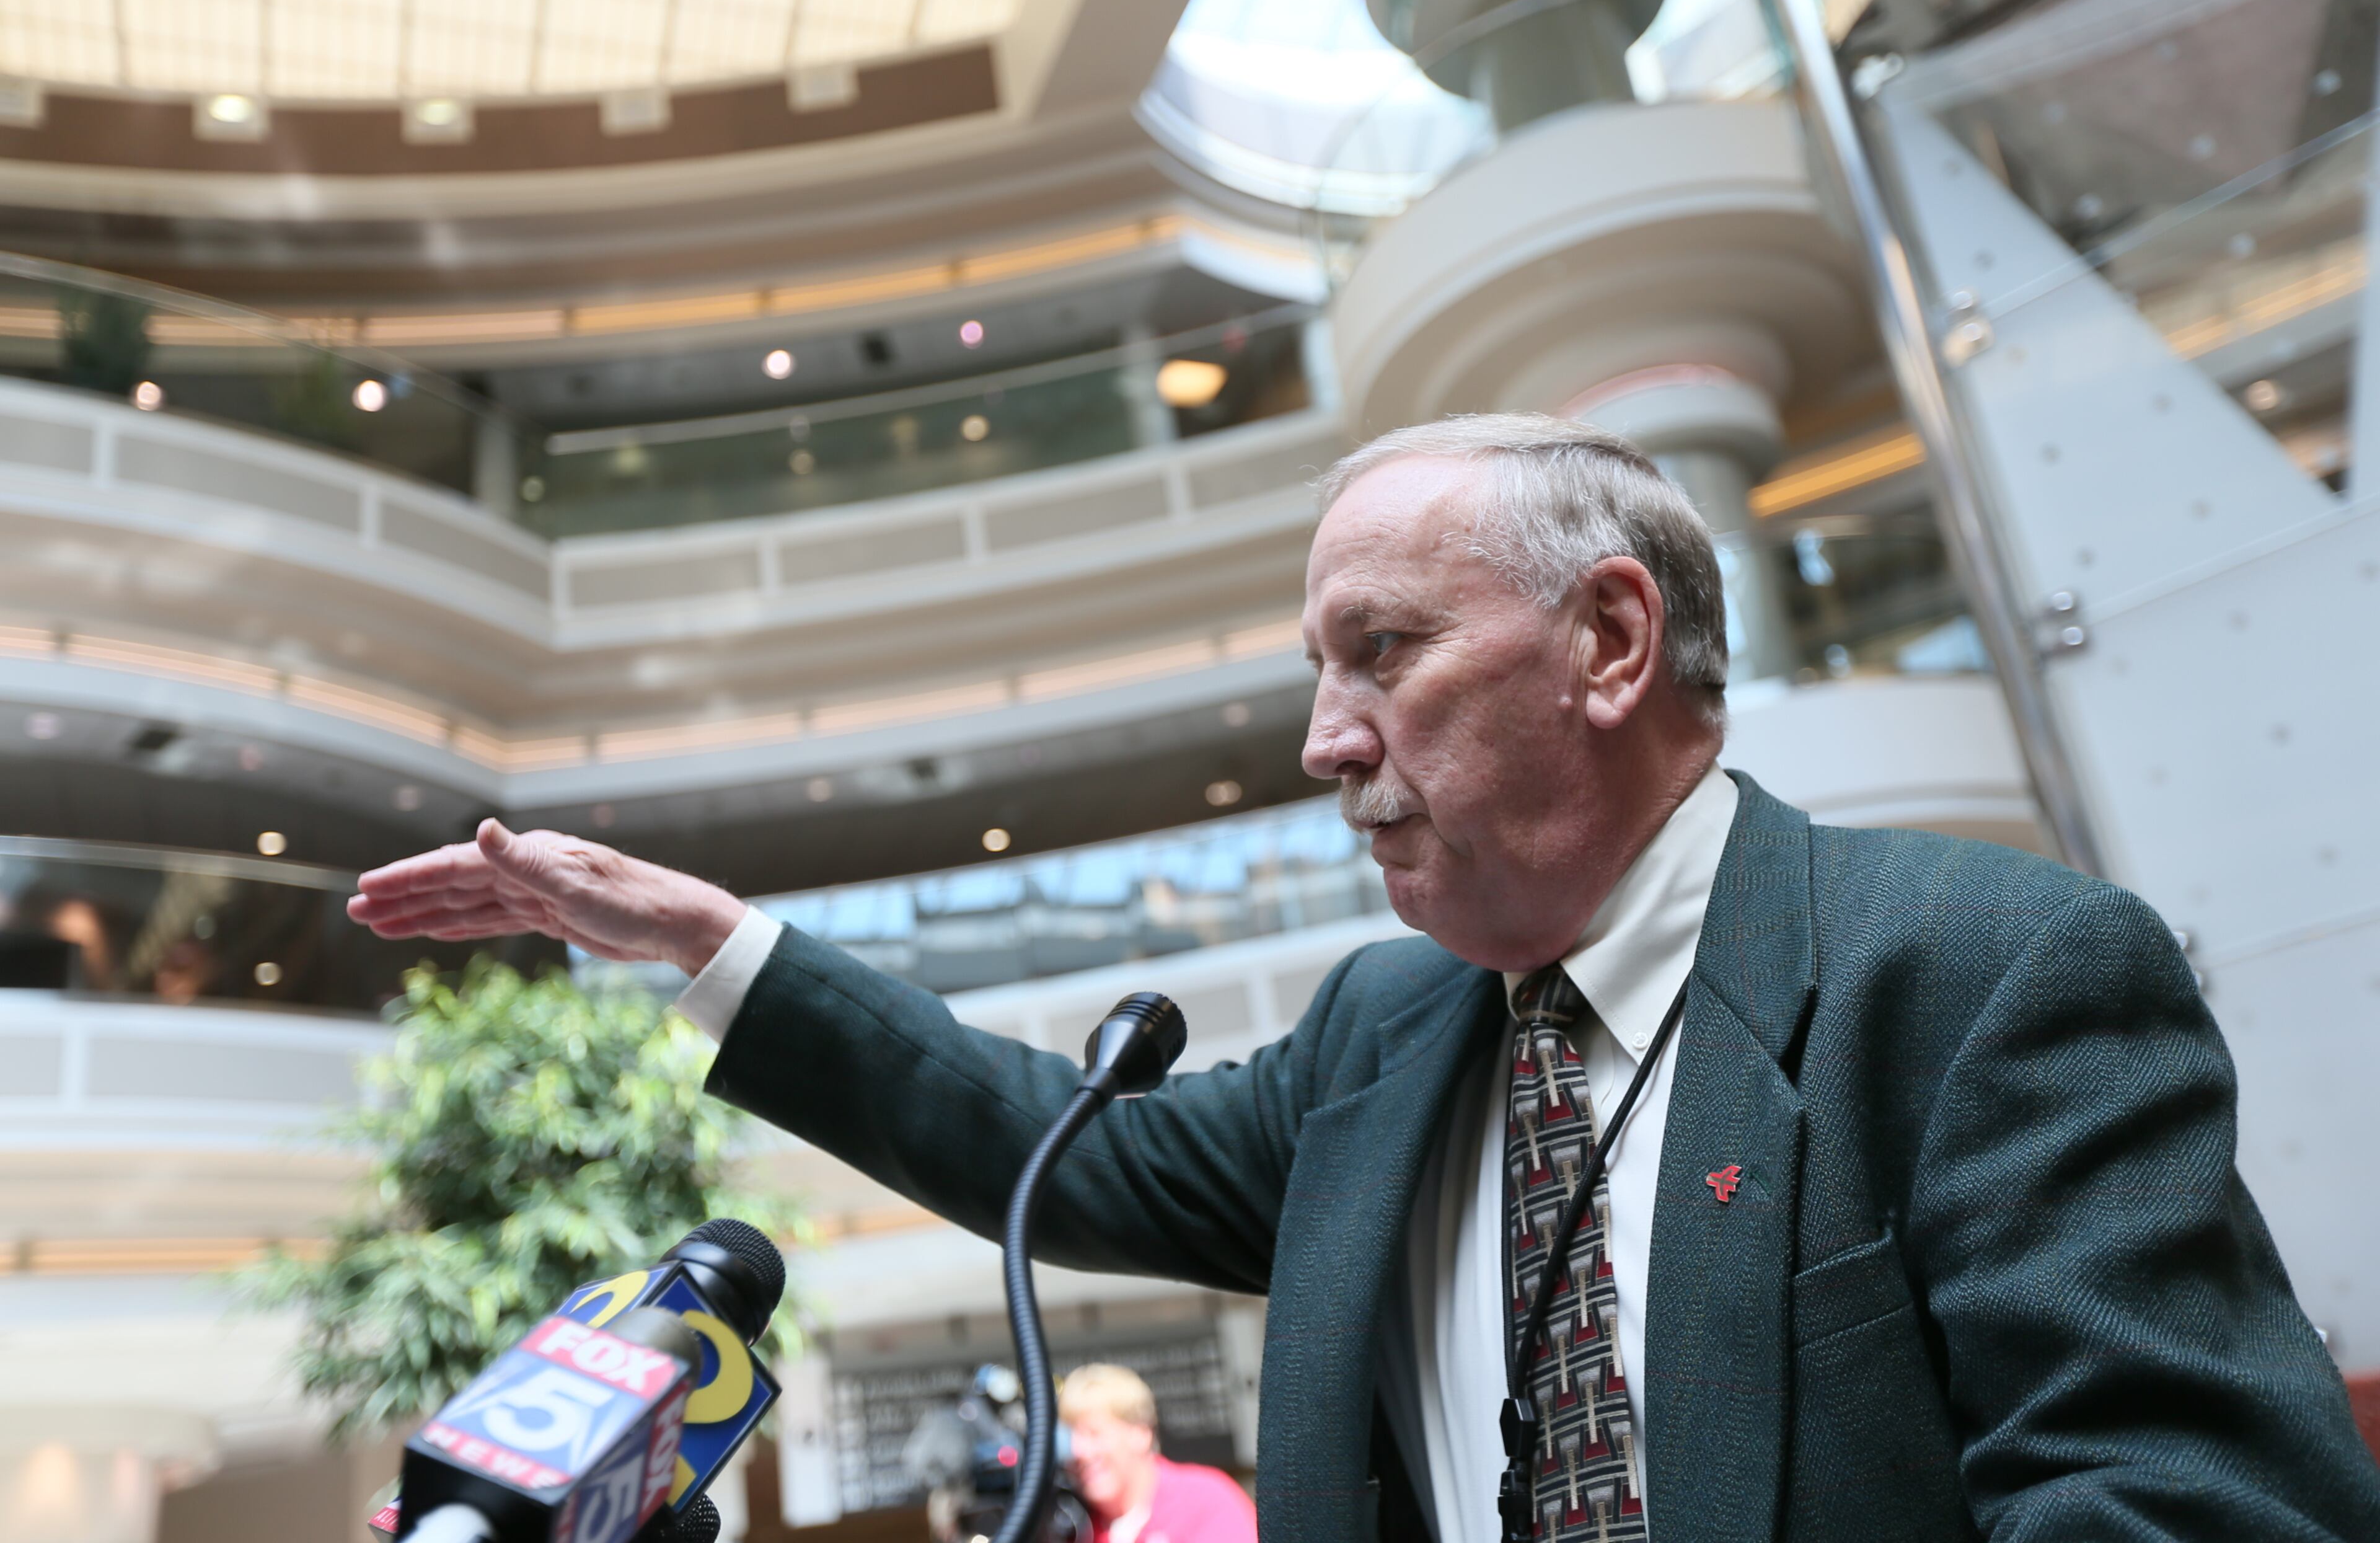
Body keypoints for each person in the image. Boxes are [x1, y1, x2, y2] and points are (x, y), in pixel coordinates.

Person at [350, 414, 2380, 1542]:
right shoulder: (1376, 1043)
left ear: (1605, 643)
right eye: (1316, 676)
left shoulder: (1987, 977)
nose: (1323, 743)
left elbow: (2193, 1510)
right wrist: (710, 945)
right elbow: (1043, 1145)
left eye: (1379, 655)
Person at [1060, 1364, 1254, 1543]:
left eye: (1094, 1434)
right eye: (1070, 1440)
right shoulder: (1071, 1527)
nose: (1079, 1452)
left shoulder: (1203, 1499)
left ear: (1141, 1434)